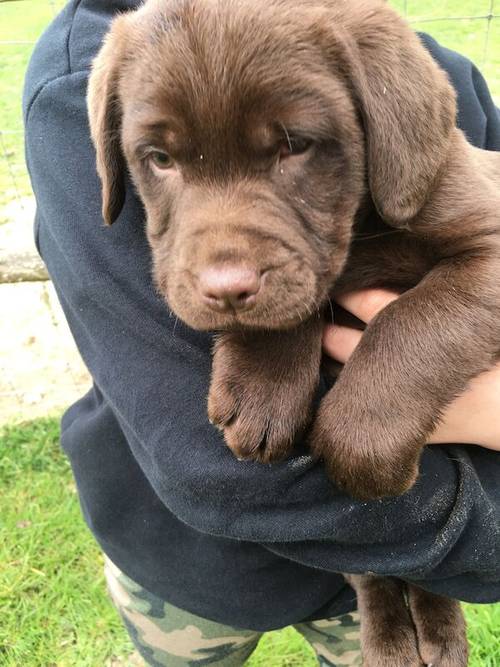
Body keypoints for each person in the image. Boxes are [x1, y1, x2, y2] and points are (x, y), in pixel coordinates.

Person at [23, 1, 500, 665]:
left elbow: (486, 256)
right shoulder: (86, 76)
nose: (223, 271)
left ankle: (394, 597)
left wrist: (383, 402)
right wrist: (276, 330)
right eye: (160, 157)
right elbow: (210, 469)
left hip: (411, 542)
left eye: (293, 145)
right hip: (186, 567)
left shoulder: (384, 61)